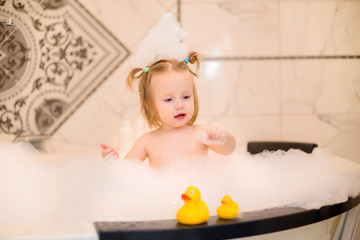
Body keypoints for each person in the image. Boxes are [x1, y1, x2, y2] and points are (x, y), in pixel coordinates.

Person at [101, 52, 236, 167]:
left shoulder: (201, 133)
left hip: (197, 196)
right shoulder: (146, 142)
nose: (179, 105)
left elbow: (229, 150)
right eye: (169, 100)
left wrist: (223, 137)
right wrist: (113, 163)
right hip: (163, 197)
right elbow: (126, 173)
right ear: (151, 105)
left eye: (186, 96)